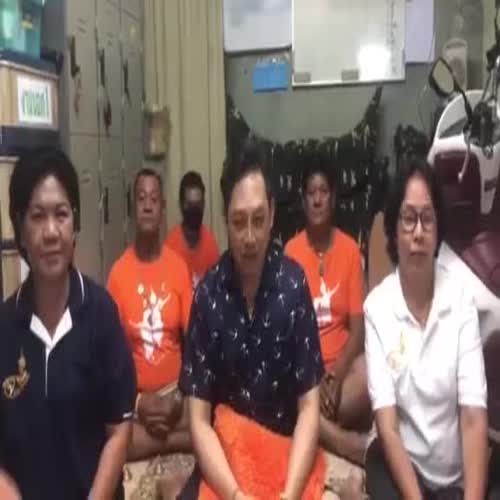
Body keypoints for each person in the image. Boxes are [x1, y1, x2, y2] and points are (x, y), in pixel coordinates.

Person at [179, 141, 326, 500]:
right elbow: (198, 420)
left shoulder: (294, 286)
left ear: (272, 214)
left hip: (285, 457)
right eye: (238, 222)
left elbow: (310, 408)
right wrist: (234, 494)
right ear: (225, 219)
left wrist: (289, 495)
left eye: (258, 220)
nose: (249, 237)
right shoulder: (207, 295)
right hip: (227, 464)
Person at [0, 147, 136, 500]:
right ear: (20, 229)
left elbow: (119, 431)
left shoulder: (101, 314)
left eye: (61, 214)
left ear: (74, 224)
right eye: (37, 216)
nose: (50, 232)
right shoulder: (5, 326)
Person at [364, 159, 488, 499]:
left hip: (453, 476)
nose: (418, 233)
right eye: (408, 218)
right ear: (394, 230)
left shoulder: (461, 301)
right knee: (378, 465)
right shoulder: (376, 308)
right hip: (407, 469)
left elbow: (473, 416)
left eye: (427, 218)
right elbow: (387, 425)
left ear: (437, 230)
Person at [285, 157, 370, 467]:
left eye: (323, 191)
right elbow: (288, 332)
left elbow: (358, 330)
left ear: (333, 199)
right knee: (280, 384)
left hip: (343, 373)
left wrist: (336, 375)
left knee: (374, 371)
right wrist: (315, 376)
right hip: (304, 373)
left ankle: (313, 427)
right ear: (303, 200)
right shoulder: (290, 253)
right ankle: (341, 441)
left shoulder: (350, 251)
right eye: (311, 192)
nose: (317, 199)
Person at [107, 168, 193, 463]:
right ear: (133, 208)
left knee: (215, 417)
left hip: (176, 396)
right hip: (138, 399)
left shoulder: (178, 268)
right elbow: (111, 359)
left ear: (163, 208)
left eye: (154, 199)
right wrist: (138, 402)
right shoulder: (118, 275)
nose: (147, 205)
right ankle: (174, 441)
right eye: (141, 198)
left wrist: (178, 398)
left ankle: (157, 440)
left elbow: (195, 344)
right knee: (109, 434)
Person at [164, 171, 219, 289]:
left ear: (203, 204)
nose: (194, 210)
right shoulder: (170, 246)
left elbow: (216, 289)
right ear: (181, 204)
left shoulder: (210, 244)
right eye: (190, 205)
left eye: (198, 205)